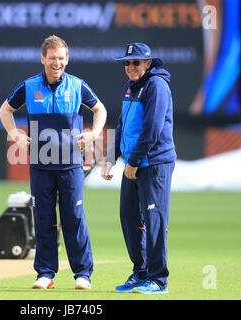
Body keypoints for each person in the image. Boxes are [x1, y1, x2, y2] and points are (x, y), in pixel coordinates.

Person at [0, 35, 107, 290]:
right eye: (52, 58)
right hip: (40, 165)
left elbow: (100, 110)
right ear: (43, 59)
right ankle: (45, 273)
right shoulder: (29, 86)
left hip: (71, 164)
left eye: (61, 58)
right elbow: (5, 110)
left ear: (67, 59)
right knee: (44, 218)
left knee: (73, 217)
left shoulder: (78, 86)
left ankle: (83, 274)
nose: (56, 63)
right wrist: (16, 136)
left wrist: (92, 135)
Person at [101, 42, 176, 294]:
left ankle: (158, 280)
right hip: (134, 162)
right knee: (129, 217)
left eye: (135, 62)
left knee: (154, 219)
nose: (130, 66)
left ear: (148, 63)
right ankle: (141, 272)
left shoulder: (157, 85)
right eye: (126, 63)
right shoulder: (131, 86)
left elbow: (152, 128)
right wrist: (111, 157)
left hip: (154, 162)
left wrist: (132, 161)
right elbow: (123, 125)